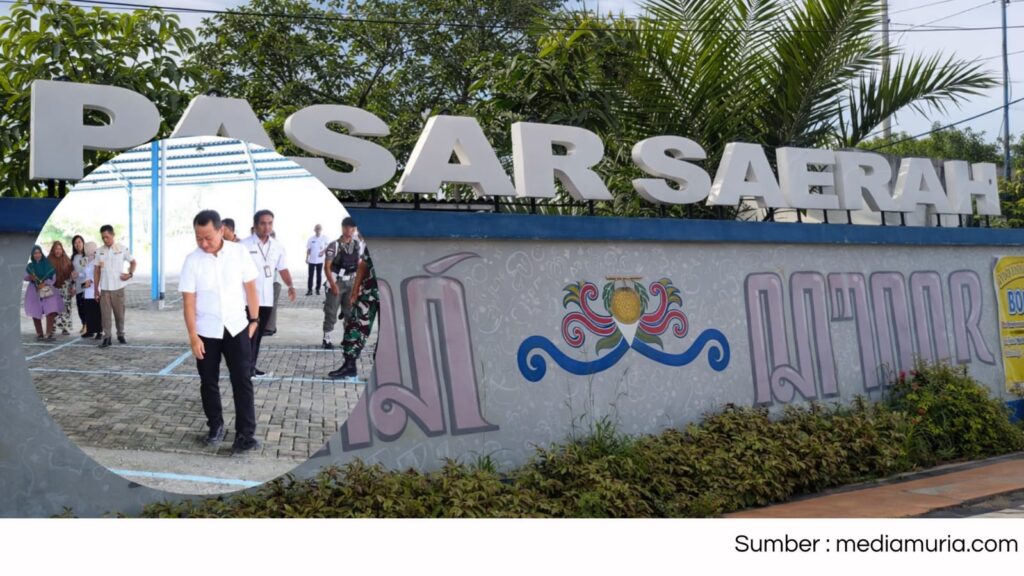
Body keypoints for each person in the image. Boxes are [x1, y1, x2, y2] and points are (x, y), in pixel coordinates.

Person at [180, 209, 262, 454]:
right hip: (206, 331)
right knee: (208, 381)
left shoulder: (239, 252)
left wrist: (255, 320)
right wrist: (193, 335)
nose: (203, 243)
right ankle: (215, 425)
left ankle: (245, 435)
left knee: (242, 381)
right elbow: (189, 302)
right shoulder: (192, 260)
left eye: (208, 237)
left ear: (221, 230)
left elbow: (251, 288)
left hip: (237, 327)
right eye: (198, 238)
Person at [241, 211, 296, 376]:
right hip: (247, 299)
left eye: (270, 223)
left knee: (257, 336)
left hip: (266, 299)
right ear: (255, 224)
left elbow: (283, 268)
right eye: (263, 223)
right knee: (247, 335)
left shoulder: (278, 246)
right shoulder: (243, 245)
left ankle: (251, 366)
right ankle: (244, 368)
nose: (267, 227)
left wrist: (290, 285)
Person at [328, 230, 379, 380]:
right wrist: (355, 289)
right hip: (369, 292)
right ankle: (349, 366)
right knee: (354, 326)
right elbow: (363, 265)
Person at [321, 217, 363, 350]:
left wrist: (358, 285)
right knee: (331, 311)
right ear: (342, 228)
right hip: (337, 281)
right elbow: (327, 266)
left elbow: (359, 264)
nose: (349, 230)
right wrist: (333, 284)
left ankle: (348, 338)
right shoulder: (334, 245)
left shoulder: (356, 245)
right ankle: (326, 338)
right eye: (347, 227)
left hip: (351, 281)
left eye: (352, 228)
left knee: (350, 312)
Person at [94, 224, 136, 348]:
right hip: (105, 289)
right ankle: (107, 337)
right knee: (105, 315)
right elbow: (96, 271)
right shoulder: (99, 251)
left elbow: (133, 262)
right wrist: (96, 289)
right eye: (103, 238)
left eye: (107, 237)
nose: (105, 240)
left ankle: (121, 334)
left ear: (113, 235)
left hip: (118, 288)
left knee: (119, 314)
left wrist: (129, 274)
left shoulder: (122, 249)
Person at [24, 245, 64, 341]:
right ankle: (39, 333)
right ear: (32, 255)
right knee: (35, 311)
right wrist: (30, 277)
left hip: (47, 289)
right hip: (34, 290)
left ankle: (48, 333)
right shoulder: (30, 266)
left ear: (41, 253)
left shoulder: (47, 264)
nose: (37, 255)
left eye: (39, 253)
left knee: (51, 310)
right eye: (35, 253)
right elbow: (24, 276)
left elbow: (53, 277)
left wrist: (45, 283)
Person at [48, 240, 75, 336]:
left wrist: (72, 287)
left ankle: (65, 328)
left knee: (65, 309)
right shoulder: (48, 260)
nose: (58, 251)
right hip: (52, 288)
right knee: (53, 308)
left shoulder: (67, 259)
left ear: (62, 249)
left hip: (65, 288)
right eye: (56, 249)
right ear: (53, 250)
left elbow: (72, 274)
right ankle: (52, 327)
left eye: (59, 248)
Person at [78, 242, 102, 339]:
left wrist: (91, 281)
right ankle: (90, 330)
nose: (86, 249)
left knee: (97, 312)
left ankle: (99, 332)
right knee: (89, 311)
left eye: (87, 248)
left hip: (95, 289)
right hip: (87, 291)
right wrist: (77, 274)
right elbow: (84, 274)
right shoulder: (86, 260)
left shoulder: (98, 261)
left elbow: (99, 274)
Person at [70, 235, 89, 334]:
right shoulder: (73, 257)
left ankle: (88, 326)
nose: (78, 244)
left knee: (87, 307)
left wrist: (79, 274)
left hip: (86, 286)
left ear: (83, 243)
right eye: (75, 243)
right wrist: (72, 282)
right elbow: (72, 271)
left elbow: (88, 271)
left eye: (79, 242)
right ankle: (83, 324)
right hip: (77, 286)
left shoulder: (87, 256)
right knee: (80, 307)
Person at [306, 224, 327, 296]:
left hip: (320, 260)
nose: (318, 230)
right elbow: (308, 249)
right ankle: (309, 290)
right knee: (310, 276)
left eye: (319, 229)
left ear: (321, 230)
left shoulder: (324, 238)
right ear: (314, 230)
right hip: (311, 260)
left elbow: (327, 247)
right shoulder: (311, 239)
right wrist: (306, 258)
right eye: (316, 229)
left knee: (319, 275)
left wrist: (323, 252)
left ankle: (317, 289)